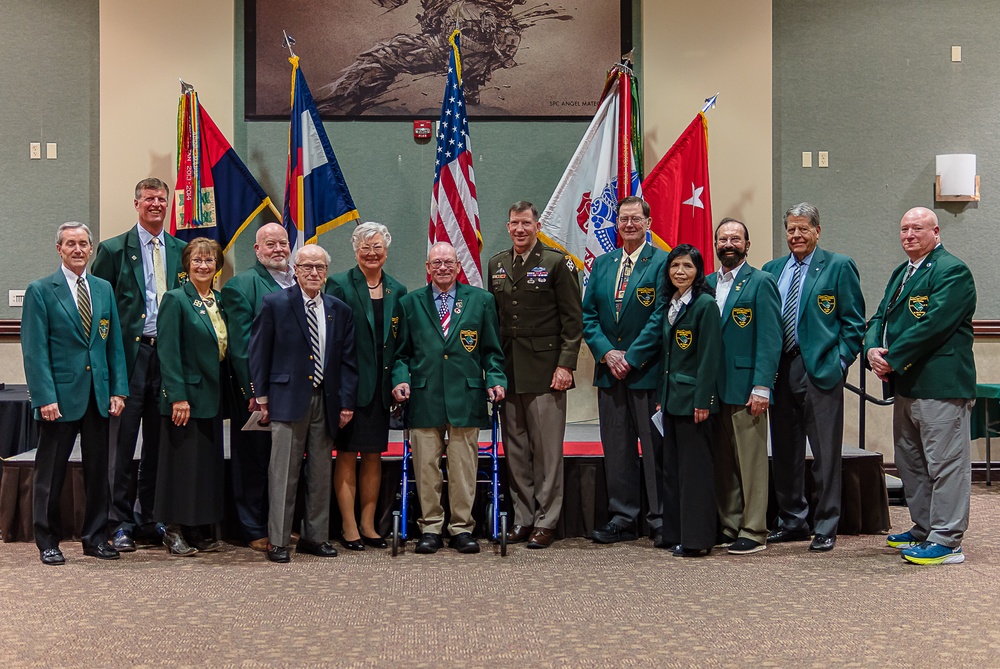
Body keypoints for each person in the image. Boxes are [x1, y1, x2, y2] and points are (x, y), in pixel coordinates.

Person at [865, 206, 976, 565]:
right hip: (907, 386)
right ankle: (925, 527)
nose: (909, 235)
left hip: (940, 386)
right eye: (904, 229)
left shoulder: (952, 271)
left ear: (936, 231)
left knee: (945, 464)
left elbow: (933, 325)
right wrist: (870, 350)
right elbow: (879, 315)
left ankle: (947, 540)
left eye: (917, 228)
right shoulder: (902, 272)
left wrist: (892, 357)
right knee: (911, 462)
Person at [22, 222, 128, 565]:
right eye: (71, 244)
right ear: (59, 249)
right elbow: (35, 351)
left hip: (98, 396)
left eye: (83, 243)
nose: (78, 249)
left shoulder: (103, 289)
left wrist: (118, 390)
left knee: (98, 473)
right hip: (59, 398)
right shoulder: (40, 290)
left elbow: (114, 345)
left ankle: (95, 538)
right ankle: (47, 541)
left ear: (91, 248)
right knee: (50, 473)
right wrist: (44, 397)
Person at [762, 203, 865, 552]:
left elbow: (853, 324)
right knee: (785, 451)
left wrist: (839, 363)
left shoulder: (838, 266)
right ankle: (792, 520)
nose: (796, 235)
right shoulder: (772, 270)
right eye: (791, 229)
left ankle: (825, 525)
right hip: (780, 371)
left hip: (820, 371)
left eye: (803, 229)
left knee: (825, 455)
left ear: (818, 231)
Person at [391, 242, 506, 555]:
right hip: (424, 396)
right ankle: (430, 527)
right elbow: (401, 354)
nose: (442, 267)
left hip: (465, 395)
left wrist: (495, 380)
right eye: (436, 263)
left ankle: (461, 528)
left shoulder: (481, 301)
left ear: (458, 267)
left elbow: (492, 352)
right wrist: (400, 380)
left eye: (448, 262)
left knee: (463, 466)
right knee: (425, 466)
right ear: (427, 268)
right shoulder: (410, 302)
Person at [91, 178, 187, 551]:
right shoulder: (114, 249)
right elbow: (100, 309)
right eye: (149, 199)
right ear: (136, 204)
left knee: (159, 446)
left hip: (168, 358)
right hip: (130, 357)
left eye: (162, 200)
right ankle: (119, 523)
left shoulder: (181, 250)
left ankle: (151, 518)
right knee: (122, 445)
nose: (156, 205)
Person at [249, 244, 358, 563]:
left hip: (326, 402)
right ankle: (278, 541)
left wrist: (346, 402)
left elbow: (348, 361)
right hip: (285, 399)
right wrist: (262, 397)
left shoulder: (339, 309)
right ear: (294, 270)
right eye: (307, 267)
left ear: (326, 272)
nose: (313, 273)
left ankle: (315, 536)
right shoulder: (275, 304)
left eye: (320, 268)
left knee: (321, 472)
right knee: (283, 473)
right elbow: (258, 353)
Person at [487, 201, 582, 549]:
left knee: (547, 454)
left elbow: (573, 321)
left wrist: (566, 365)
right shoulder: (497, 264)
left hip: (546, 372)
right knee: (516, 452)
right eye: (514, 224)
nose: (520, 230)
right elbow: (496, 320)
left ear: (537, 225)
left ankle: (547, 520)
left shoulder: (558, 263)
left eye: (526, 223)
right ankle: (523, 517)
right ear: (508, 225)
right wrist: (493, 371)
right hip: (510, 371)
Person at [581, 196, 669, 544]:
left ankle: (660, 517)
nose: (629, 225)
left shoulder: (662, 263)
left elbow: (661, 315)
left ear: (648, 223)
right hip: (610, 373)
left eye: (636, 219)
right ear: (615, 225)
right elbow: (588, 315)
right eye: (623, 219)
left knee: (654, 448)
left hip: (646, 371)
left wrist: (630, 357)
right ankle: (623, 517)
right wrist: (606, 354)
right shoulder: (602, 264)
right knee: (616, 449)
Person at [326, 222, 407, 551]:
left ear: (386, 252)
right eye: (365, 247)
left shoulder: (398, 290)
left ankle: (369, 525)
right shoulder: (340, 285)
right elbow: (332, 341)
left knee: (373, 456)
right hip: (350, 387)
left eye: (378, 247)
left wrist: (400, 379)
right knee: (346, 455)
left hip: (381, 388)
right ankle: (348, 527)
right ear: (355, 250)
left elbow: (401, 345)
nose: (372, 253)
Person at [705, 217, 781, 555]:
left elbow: (769, 338)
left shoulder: (761, 282)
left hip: (746, 387)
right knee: (723, 464)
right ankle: (730, 523)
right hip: (713, 390)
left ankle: (754, 529)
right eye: (723, 239)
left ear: (747, 246)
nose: (729, 244)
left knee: (750, 463)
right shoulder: (705, 284)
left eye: (736, 239)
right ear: (716, 245)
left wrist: (762, 386)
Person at [220, 223, 295, 552]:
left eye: (283, 243)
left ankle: (277, 525)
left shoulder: (299, 282)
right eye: (270, 244)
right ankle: (252, 529)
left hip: (293, 389)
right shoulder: (242, 285)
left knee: (283, 463)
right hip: (259, 394)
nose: (278, 248)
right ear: (257, 250)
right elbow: (242, 345)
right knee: (253, 462)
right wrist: (256, 391)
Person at [154, 238, 229, 556]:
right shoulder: (175, 299)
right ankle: (173, 530)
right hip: (186, 399)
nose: (203, 265)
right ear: (187, 264)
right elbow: (168, 352)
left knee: (204, 467)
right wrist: (177, 397)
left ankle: (197, 529)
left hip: (211, 395)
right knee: (181, 467)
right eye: (197, 260)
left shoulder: (218, 300)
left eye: (209, 260)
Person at [656, 244, 721, 558]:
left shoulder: (705, 304)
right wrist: (661, 398)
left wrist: (703, 400)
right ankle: (675, 532)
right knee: (673, 470)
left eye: (687, 266)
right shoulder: (671, 301)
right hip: (671, 400)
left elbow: (709, 356)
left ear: (698, 272)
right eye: (675, 266)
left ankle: (697, 539)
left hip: (694, 401)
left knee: (695, 473)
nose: (680, 271)